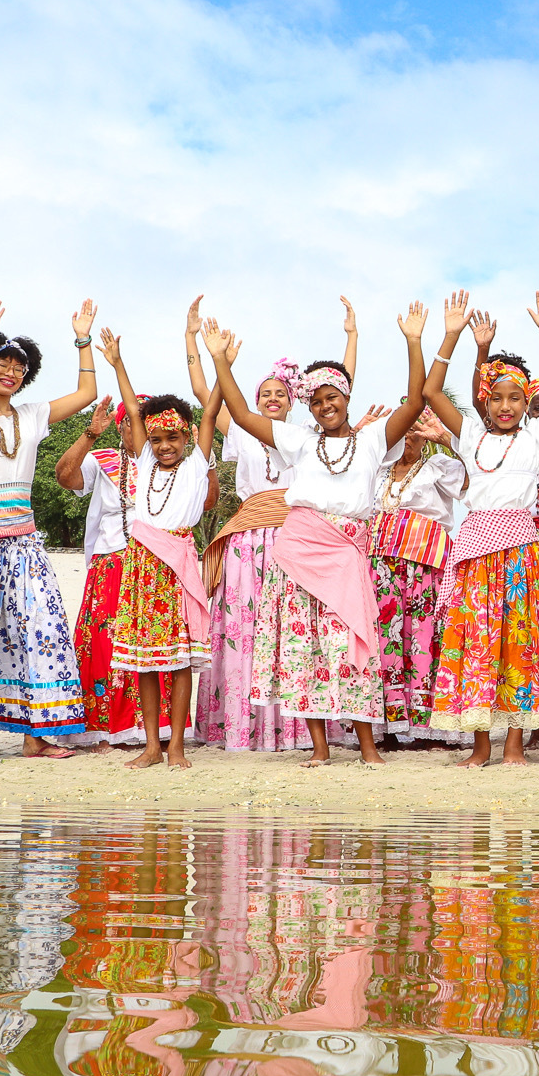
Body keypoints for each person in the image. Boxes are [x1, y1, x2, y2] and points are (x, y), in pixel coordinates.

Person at [206, 302, 431, 766]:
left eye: (333, 398)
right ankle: (321, 748)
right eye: (317, 401)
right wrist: (221, 363)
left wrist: (413, 342)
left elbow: (414, 403)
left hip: (347, 552)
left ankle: (368, 747)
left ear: (347, 397)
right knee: (302, 646)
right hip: (300, 550)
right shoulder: (300, 442)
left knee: (354, 646)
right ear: (308, 406)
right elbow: (245, 416)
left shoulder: (372, 441)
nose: (326, 406)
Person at [0, 294, 99, 761]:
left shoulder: (31, 415)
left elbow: (87, 395)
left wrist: (83, 338)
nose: (10, 372)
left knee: (39, 627)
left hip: (24, 536)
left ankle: (37, 735)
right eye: (0, 363)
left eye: (18, 367)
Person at [423, 290, 539, 766]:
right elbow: (430, 393)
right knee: (477, 644)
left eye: (516, 397)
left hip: (518, 554)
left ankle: (515, 745)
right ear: (485, 403)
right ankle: (480, 746)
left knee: (518, 643)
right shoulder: (470, 434)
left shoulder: (537, 434)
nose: (507, 406)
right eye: (497, 398)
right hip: (475, 554)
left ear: (527, 401)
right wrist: (450, 336)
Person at [187, 300, 335, 753]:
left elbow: (339, 386)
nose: (272, 399)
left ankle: (294, 728)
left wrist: (351, 336)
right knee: (244, 628)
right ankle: (240, 726)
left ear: (295, 403)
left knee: (290, 632)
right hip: (248, 541)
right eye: (264, 394)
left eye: (281, 394)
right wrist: (192, 339)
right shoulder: (241, 433)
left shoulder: (307, 439)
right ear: (254, 402)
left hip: (294, 538)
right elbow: (202, 397)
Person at [97, 327, 223, 770]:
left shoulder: (196, 464)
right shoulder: (144, 460)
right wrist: (116, 363)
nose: (164, 446)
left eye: (173, 438)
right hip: (140, 567)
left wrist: (216, 359)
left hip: (176, 568)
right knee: (144, 663)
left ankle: (176, 747)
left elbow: (211, 411)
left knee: (179, 661)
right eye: (156, 439)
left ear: (187, 437)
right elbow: (133, 410)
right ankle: (151, 746)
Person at [370, 407, 464, 745]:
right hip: (381, 567)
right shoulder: (377, 470)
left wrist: (451, 441)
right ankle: (387, 728)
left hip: (426, 566)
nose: (408, 437)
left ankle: (427, 728)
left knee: (423, 638)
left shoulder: (438, 467)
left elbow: (477, 481)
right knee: (385, 640)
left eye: (415, 431)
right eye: (402, 431)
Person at [55, 395, 139, 751]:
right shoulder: (103, 460)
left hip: (156, 563)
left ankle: (150, 727)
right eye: (132, 421)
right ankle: (103, 728)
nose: (141, 430)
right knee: (103, 644)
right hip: (111, 560)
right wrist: (90, 433)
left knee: (149, 643)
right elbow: (64, 477)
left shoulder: (168, 462)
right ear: (120, 427)